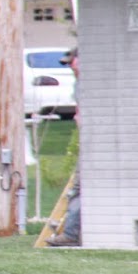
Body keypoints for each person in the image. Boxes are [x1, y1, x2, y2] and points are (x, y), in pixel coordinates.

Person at [47, 47, 81, 246]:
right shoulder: (79, 84)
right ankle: (73, 233)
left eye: (72, 62)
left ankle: (71, 234)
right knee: (78, 189)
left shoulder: (89, 82)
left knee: (79, 188)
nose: (69, 66)